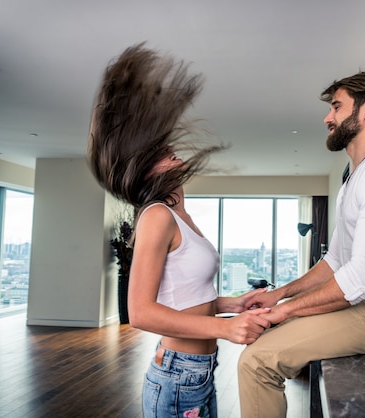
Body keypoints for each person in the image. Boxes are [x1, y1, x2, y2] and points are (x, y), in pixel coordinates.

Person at [86, 43, 271, 418]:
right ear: (146, 168)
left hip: (197, 373)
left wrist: (229, 306)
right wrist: (226, 329)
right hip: (177, 376)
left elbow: (185, 297)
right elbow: (139, 313)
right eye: (159, 152)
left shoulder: (179, 215)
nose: (171, 151)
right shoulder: (156, 216)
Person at [238, 71, 365, 417]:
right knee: (267, 333)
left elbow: (361, 278)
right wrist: (279, 294)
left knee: (257, 362)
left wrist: (286, 310)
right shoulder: (355, 178)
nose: (328, 117)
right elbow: (336, 262)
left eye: (337, 107)